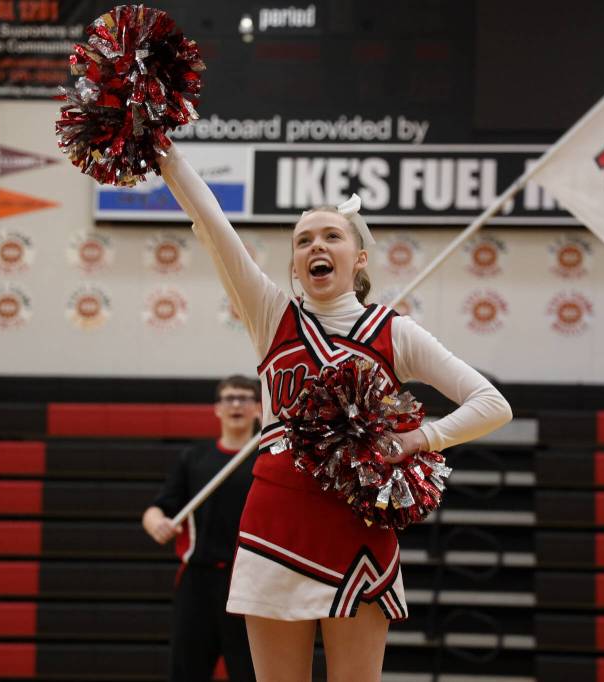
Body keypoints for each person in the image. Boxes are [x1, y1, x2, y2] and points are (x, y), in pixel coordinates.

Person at [157, 146, 513, 682]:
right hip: (275, 520)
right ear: (295, 264)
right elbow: (212, 224)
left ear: (359, 257)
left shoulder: (394, 332)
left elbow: (493, 404)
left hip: (357, 522)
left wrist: (420, 440)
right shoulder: (270, 314)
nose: (315, 247)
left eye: (331, 237)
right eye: (303, 241)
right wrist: (164, 150)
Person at [141, 375, 261, 682]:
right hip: (197, 581)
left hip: (248, 582)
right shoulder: (194, 458)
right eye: (229, 398)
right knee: (187, 670)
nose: (236, 404)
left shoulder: (266, 459)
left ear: (259, 409)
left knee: (251, 672)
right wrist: (157, 524)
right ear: (217, 408)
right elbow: (158, 508)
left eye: (245, 398)